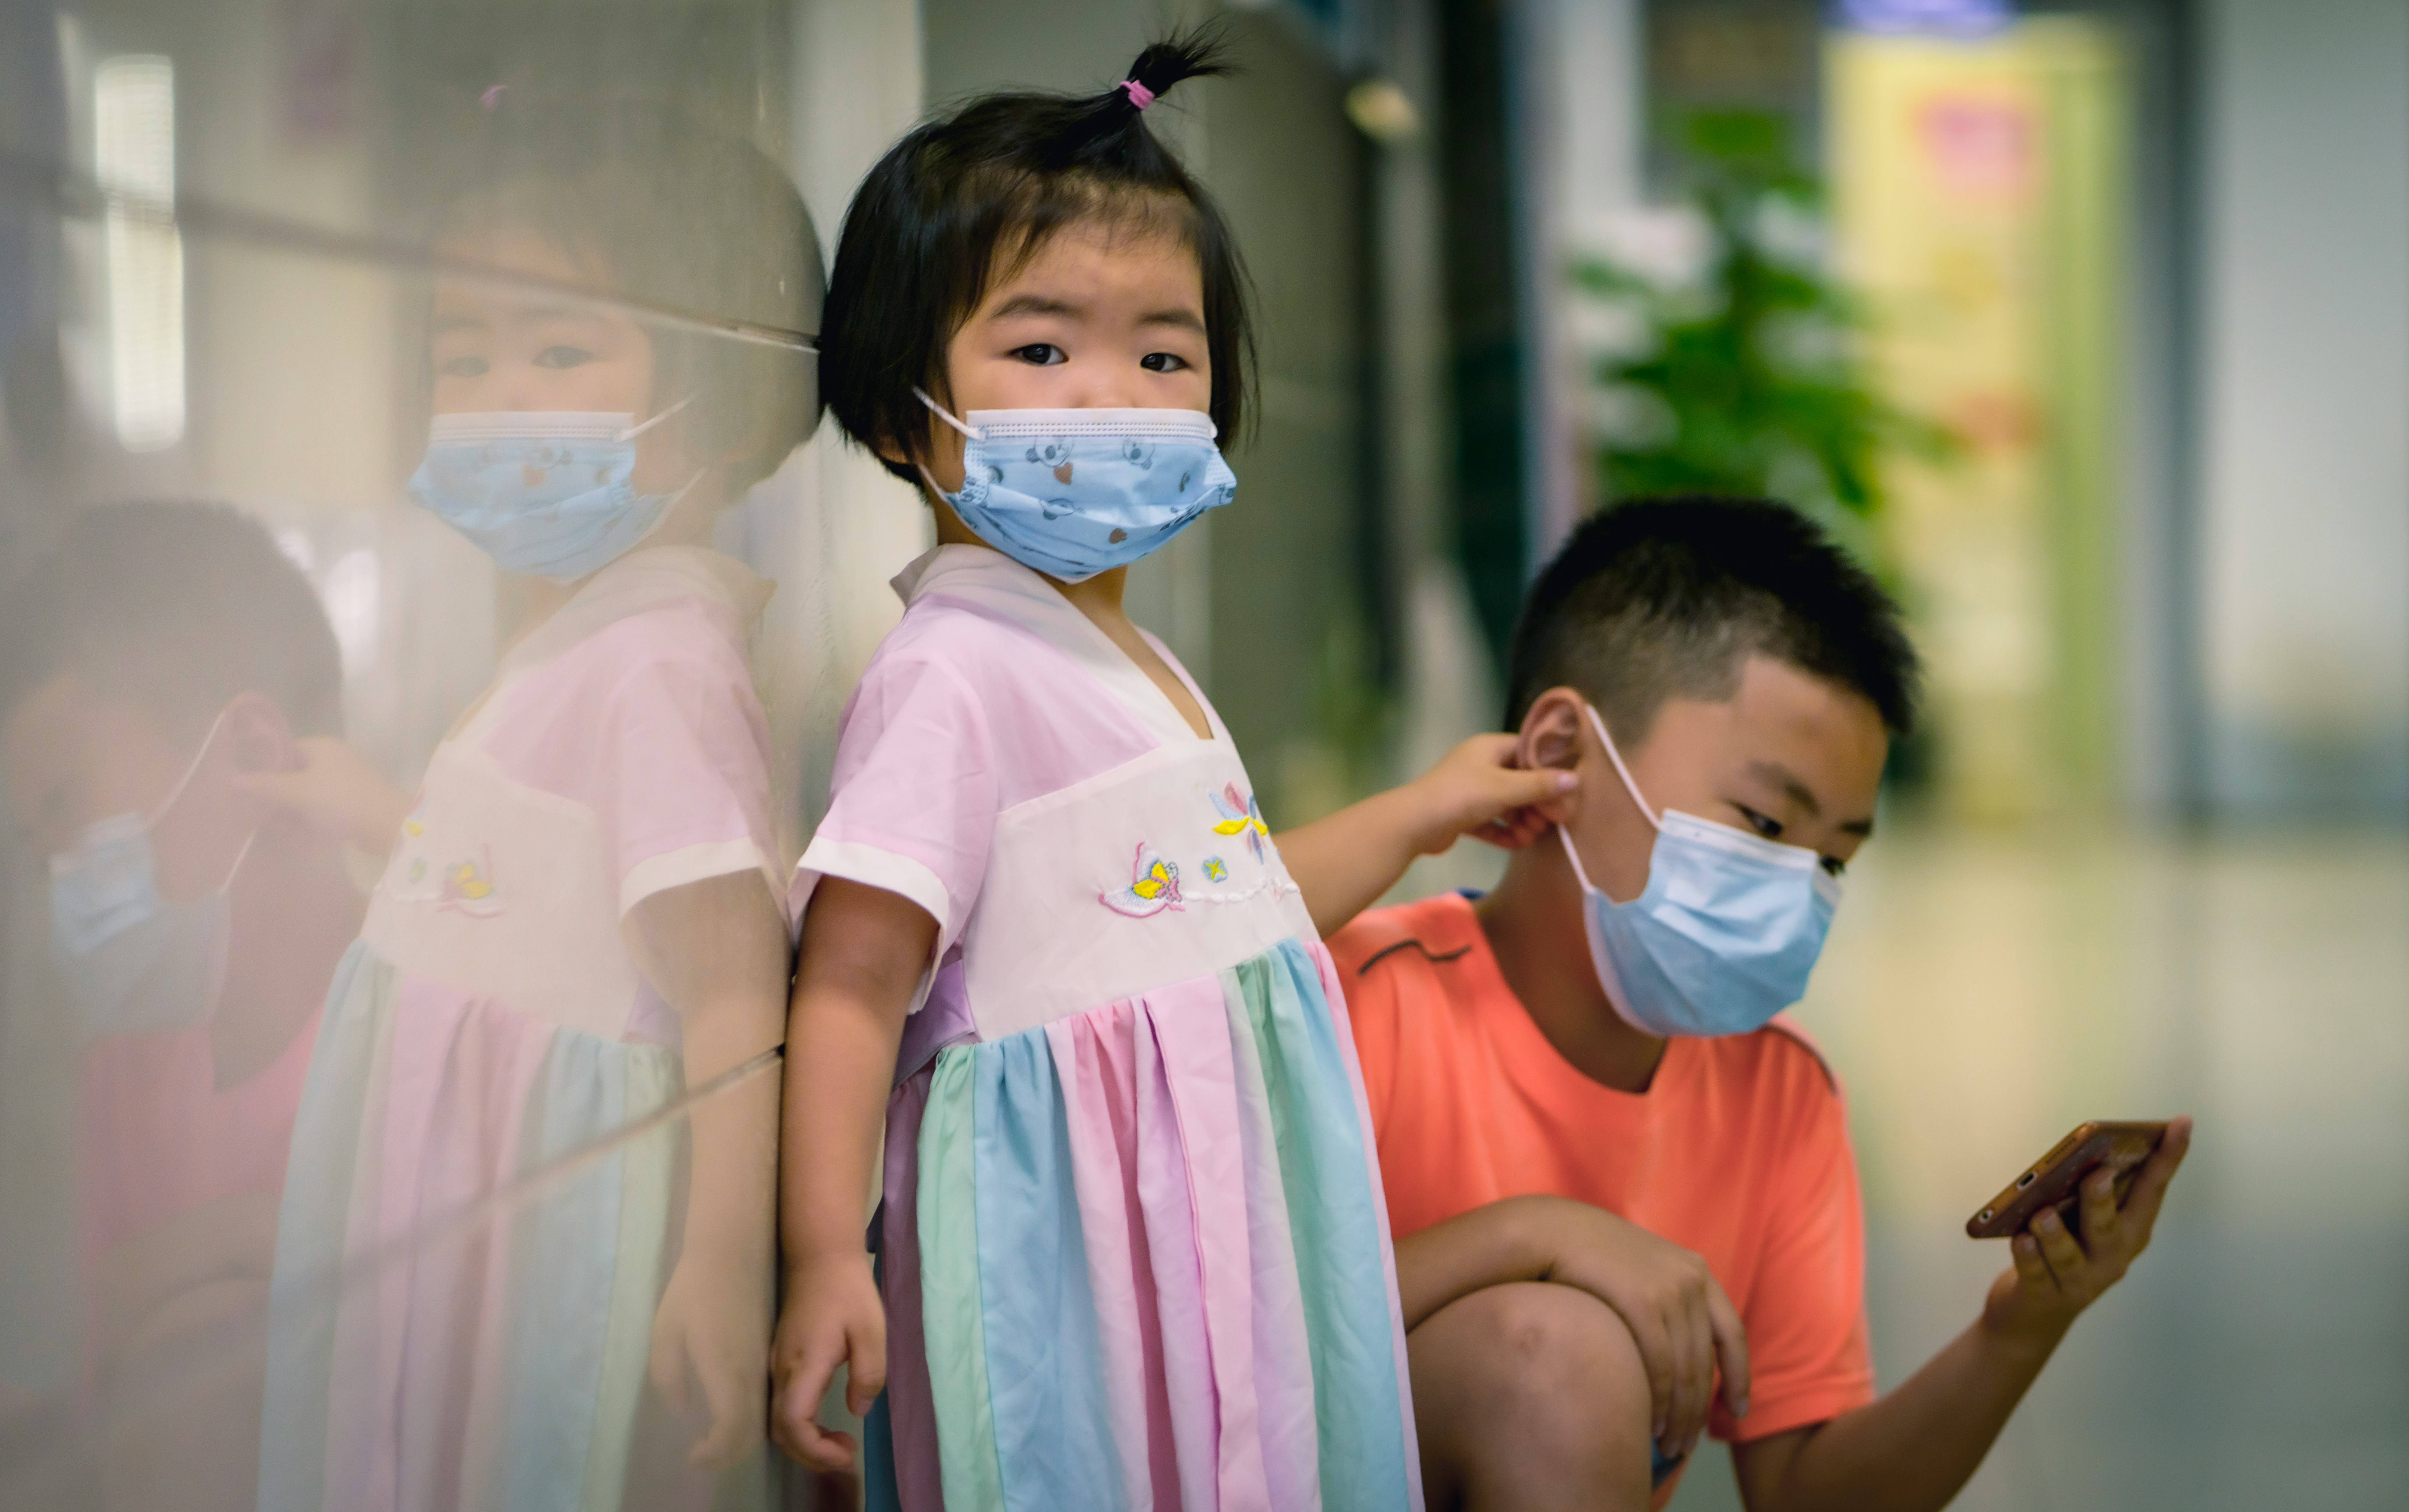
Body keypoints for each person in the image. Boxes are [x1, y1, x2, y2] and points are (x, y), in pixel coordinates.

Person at [766, 32, 1567, 1510]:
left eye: (1162, 354)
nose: (1112, 400)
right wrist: (824, 1257)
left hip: (1208, 1255)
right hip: (1075, 1284)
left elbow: (1218, 913)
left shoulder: (1129, 659)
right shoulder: (955, 671)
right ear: (898, 412)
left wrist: (1423, 810)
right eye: (1040, 347)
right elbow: (848, 984)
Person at [1330, 496, 2193, 1512]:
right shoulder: (1352, 1004)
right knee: (1553, 1354)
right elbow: (1220, 1353)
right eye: (1764, 821)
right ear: (1562, 751)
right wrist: (1533, 1236)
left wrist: (2022, 1327)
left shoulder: (1779, 1099)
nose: (1798, 886)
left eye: (1834, 856)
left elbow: (1804, 1491)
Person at [253, 106, 818, 1512]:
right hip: (463, 1189)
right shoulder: (591, 630)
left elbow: (733, 994)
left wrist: (719, 1261)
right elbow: (555, 892)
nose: (502, 392)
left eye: (560, 349)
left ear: (718, 395)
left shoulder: (656, 665)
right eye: (466, 353)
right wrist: (380, 810)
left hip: (549, 1219)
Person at [0, 500, 360, 1512]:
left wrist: (240, 1243)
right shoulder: (125, 1072)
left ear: (249, 746)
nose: (58, 876)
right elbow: (103, 1393)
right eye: (36, 843)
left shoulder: (428, 1026)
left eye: (67, 807)